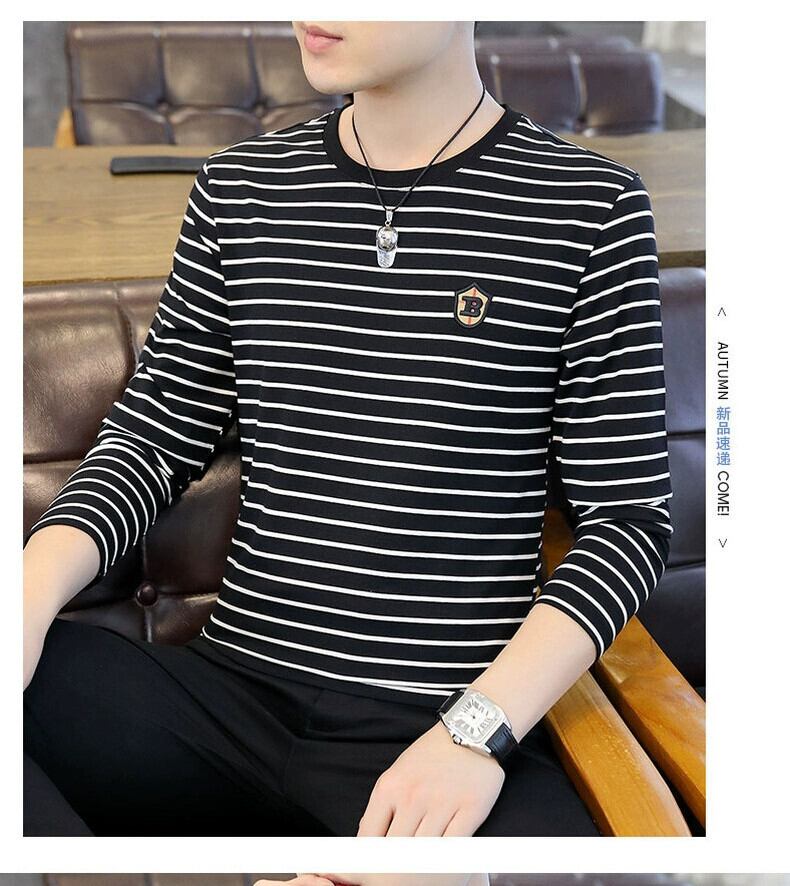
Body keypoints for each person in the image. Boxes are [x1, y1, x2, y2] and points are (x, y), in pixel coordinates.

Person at [23, 21, 673, 837]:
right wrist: (27, 594)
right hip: (226, 703)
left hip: (441, 724)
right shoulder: (241, 187)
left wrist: (475, 733)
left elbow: (627, 522)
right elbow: (153, 437)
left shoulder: (589, 206)